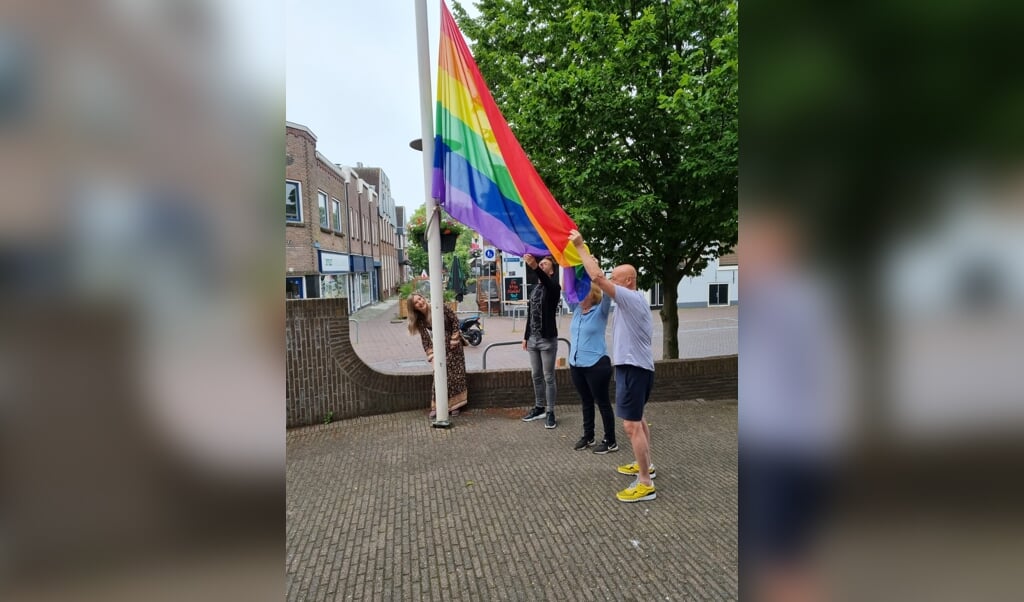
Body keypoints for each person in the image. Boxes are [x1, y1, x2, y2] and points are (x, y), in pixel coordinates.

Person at [569, 229, 656, 502]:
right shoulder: (633, 300)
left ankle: (644, 483)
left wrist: (581, 248)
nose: (611, 281)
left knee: (631, 426)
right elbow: (598, 277)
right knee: (639, 419)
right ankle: (647, 466)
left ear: (628, 281)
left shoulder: (630, 297)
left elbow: (597, 278)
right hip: (636, 367)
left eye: (616, 278)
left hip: (634, 368)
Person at [568, 284, 618, 454]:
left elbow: (607, 293)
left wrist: (595, 272)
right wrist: (566, 264)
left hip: (596, 364)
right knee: (586, 401)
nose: (579, 296)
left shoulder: (600, 311)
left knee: (602, 402)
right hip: (576, 364)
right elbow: (566, 288)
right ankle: (588, 436)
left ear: (593, 295)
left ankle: (610, 441)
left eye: (583, 293)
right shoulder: (575, 309)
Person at [406, 293, 468, 418]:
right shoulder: (420, 321)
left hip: (453, 346)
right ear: (414, 308)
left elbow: (455, 319)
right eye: (416, 303)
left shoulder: (439, 307)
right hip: (439, 349)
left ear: (423, 298)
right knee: (438, 375)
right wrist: (432, 357)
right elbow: (425, 339)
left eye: (420, 299)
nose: (420, 302)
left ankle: (457, 405)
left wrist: (454, 339)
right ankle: (438, 406)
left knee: (455, 374)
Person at [519, 253, 561, 429]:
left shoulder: (554, 288)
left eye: (545, 264)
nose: (542, 266)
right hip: (533, 339)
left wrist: (535, 265)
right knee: (536, 375)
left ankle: (551, 412)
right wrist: (525, 336)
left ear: (551, 270)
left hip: (547, 339)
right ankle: (539, 407)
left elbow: (547, 282)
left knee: (548, 376)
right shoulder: (535, 289)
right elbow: (531, 315)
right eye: (541, 264)